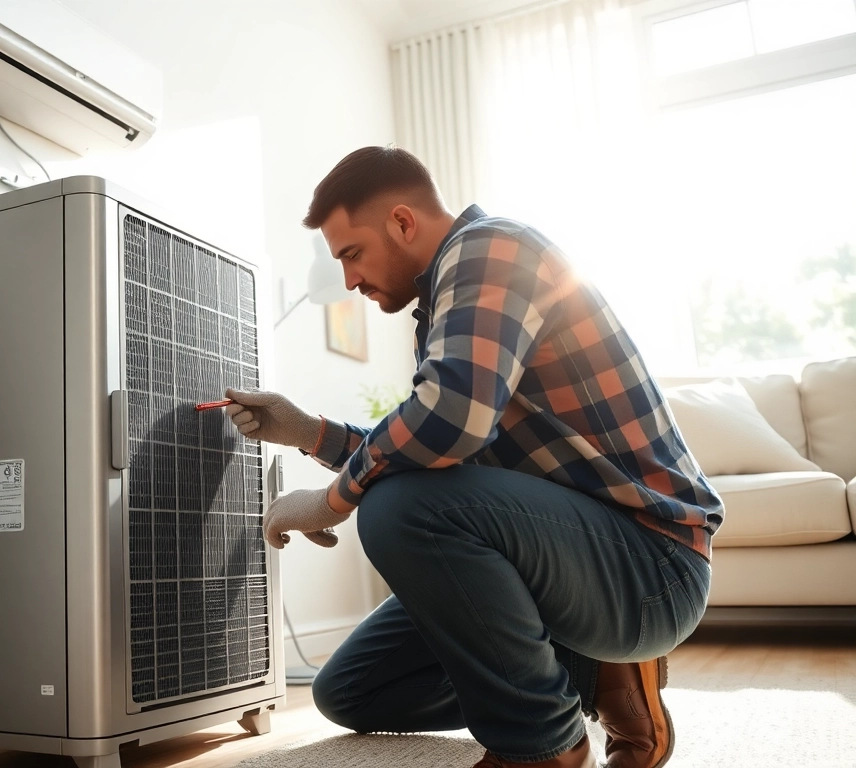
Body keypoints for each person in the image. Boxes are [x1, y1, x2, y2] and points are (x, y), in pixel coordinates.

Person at [224, 146, 722, 768]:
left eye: (351, 253)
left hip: (650, 565)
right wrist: (306, 429)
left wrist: (329, 502)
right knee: (351, 690)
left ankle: (541, 747)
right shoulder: (440, 307)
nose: (348, 280)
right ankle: (601, 679)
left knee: (399, 509)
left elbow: (448, 421)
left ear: (403, 222)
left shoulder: (492, 249)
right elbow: (439, 448)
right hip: (566, 558)